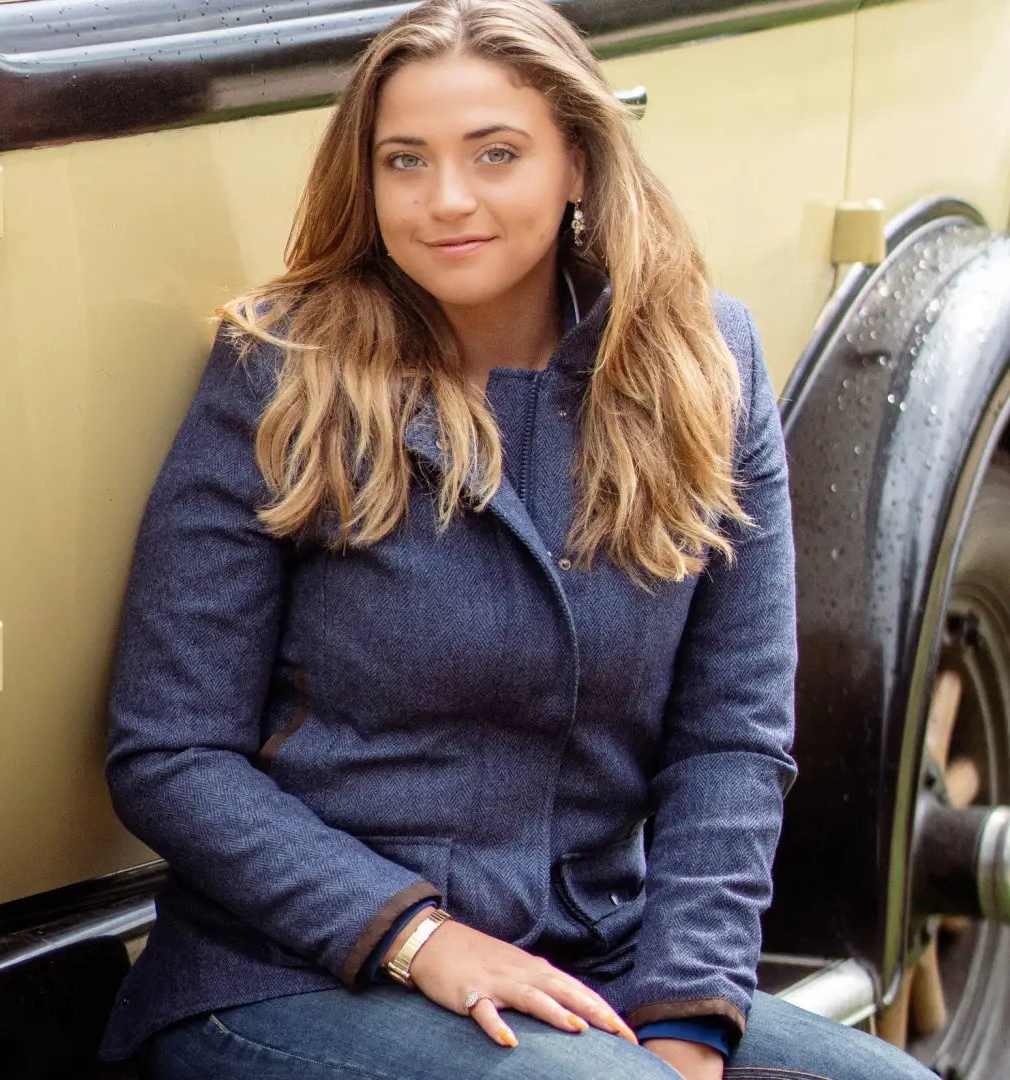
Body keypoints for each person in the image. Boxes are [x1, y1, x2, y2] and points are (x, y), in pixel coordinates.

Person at [99, 1, 935, 1077]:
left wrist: (687, 1019)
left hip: (597, 958)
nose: (447, 199)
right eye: (406, 161)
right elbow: (168, 754)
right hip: (294, 970)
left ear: (578, 163)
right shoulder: (282, 369)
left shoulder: (706, 363)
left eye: (496, 154)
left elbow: (731, 739)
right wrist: (417, 937)